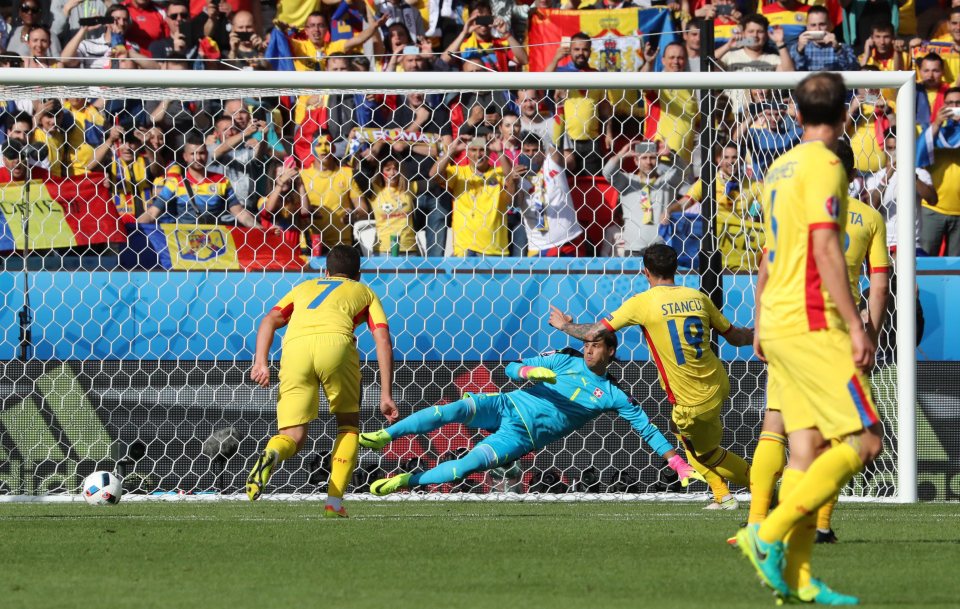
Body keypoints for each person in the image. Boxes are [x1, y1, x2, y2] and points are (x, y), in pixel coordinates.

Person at [736, 72, 884, 605]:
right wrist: (855, 325)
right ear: (845, 115)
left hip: (778, 320)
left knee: (805, 449)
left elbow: (768, 257)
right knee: (865, 440)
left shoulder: (778, 167)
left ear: (795, 116)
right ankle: (767, 534)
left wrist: (759, 319)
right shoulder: (826, 165)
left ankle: (797, 577)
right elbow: (826, 249)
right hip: (815, 320)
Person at [745, 138, 890, 548]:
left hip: (784, 326)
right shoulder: (868, 217)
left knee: (778, 428)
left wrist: (759, 324)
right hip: (832, 332)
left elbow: (766, 268)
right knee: (851, 438)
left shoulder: (792, 210)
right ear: (852, 175)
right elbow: (878, 286)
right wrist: (868, 331)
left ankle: (758, 526)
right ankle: (814, 526)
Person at [358, 333, 704, 495]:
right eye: (587, 343)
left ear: (610, 351)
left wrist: (677, 463)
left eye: (596, 346)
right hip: (507, 403)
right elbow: (511, 367)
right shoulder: (565, 359)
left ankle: (405, 481)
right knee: (458, 407)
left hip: (520, 437)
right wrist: (527, 373)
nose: (588, 349)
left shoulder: (613, 395)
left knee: (464, 467)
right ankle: (385, 435)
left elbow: (646, 429)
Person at [547, 244, 755, 509]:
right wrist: (758, 335)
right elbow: (736, 336)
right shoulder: (698, 297)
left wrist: (564, 325)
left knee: (706, 454)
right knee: (680, 434)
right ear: (676, 269)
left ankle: (756, 488)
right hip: (717, 381)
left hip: (691, 397)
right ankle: (721, 493)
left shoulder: (642, 303)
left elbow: (593, 333)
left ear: (645, 272)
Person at [247, 245, 399, 517]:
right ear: (358, 275)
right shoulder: (364, 292)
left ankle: (272, 452)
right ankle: (334, 503)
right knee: (349, 425)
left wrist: (261, 361)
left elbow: (269, 319)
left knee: (292, 436)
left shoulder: (305, 287)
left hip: (295, 350)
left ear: (326, 272)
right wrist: (385, 394)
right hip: (336, 345)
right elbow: (382, 339)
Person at [136, 133, 258, 227]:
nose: (198, 157)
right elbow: (153, 212)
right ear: (185, 157)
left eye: (201, 153)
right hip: (185, 241)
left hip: (215, 240)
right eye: (193, 154)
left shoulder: (221, 181)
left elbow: (239, 213)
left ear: (207, 154)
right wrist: (133, 227)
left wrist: (261, 230)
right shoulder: (175, 182)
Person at [431, 134, 515, 256]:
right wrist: (451, 151)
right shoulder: (459, 173)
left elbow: (511, 178)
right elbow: (434, 174)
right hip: (464, 250)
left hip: (494, 251)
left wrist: (500, 152)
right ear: (467, 152)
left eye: (482, 150)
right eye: (473, 150)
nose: (478, 154)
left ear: (489, 152)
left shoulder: (499, 172)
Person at [602, 141, 685, 256]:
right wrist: (621, 154)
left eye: (652, 158)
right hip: (633, 248)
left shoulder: (667, 182)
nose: (648, 162)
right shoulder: (627, 181)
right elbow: (607, 172)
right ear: (636, 161)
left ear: (658, 160)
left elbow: (681, 171)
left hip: (661, 247)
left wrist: (670, 154)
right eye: (644, 158)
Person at [513, 133, 582, 256]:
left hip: (568, 240)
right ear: (520, 153)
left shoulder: (552, 164)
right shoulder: (518, 179)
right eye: (526, 151)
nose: (531, 154)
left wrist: (551, 133)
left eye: (535, 150)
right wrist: (513, 181)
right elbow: (514, 204)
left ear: (543, 152)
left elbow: (555, 150)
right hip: (539, 247)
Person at [299, 134, 368, 253]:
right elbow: (291, 209)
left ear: (334, 148)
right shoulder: (302, 176)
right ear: (311, 148)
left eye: (327, 144)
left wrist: (354, 215)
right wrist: (308, 212)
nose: (324, 149)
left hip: (341, 245)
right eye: (319, 144)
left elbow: (364, 210)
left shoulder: (347, 173)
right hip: (310, 245)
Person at [916, 86, 960, 256]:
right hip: (933, 209)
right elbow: (918, 154)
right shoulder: (933, 131)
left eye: (958, 103)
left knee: (957, 270)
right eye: (950, 103)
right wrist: (937, 123)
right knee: (925, 263)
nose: (954, 107)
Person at [788, 6, 859, 72]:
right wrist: (800, 51)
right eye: (813, 25)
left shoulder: (843, 48)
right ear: (807, 27)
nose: (817, 29)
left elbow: (854, 70)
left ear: (830, 25)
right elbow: (791, 73)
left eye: (822, 24)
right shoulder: (796, 48)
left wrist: (838, 49)